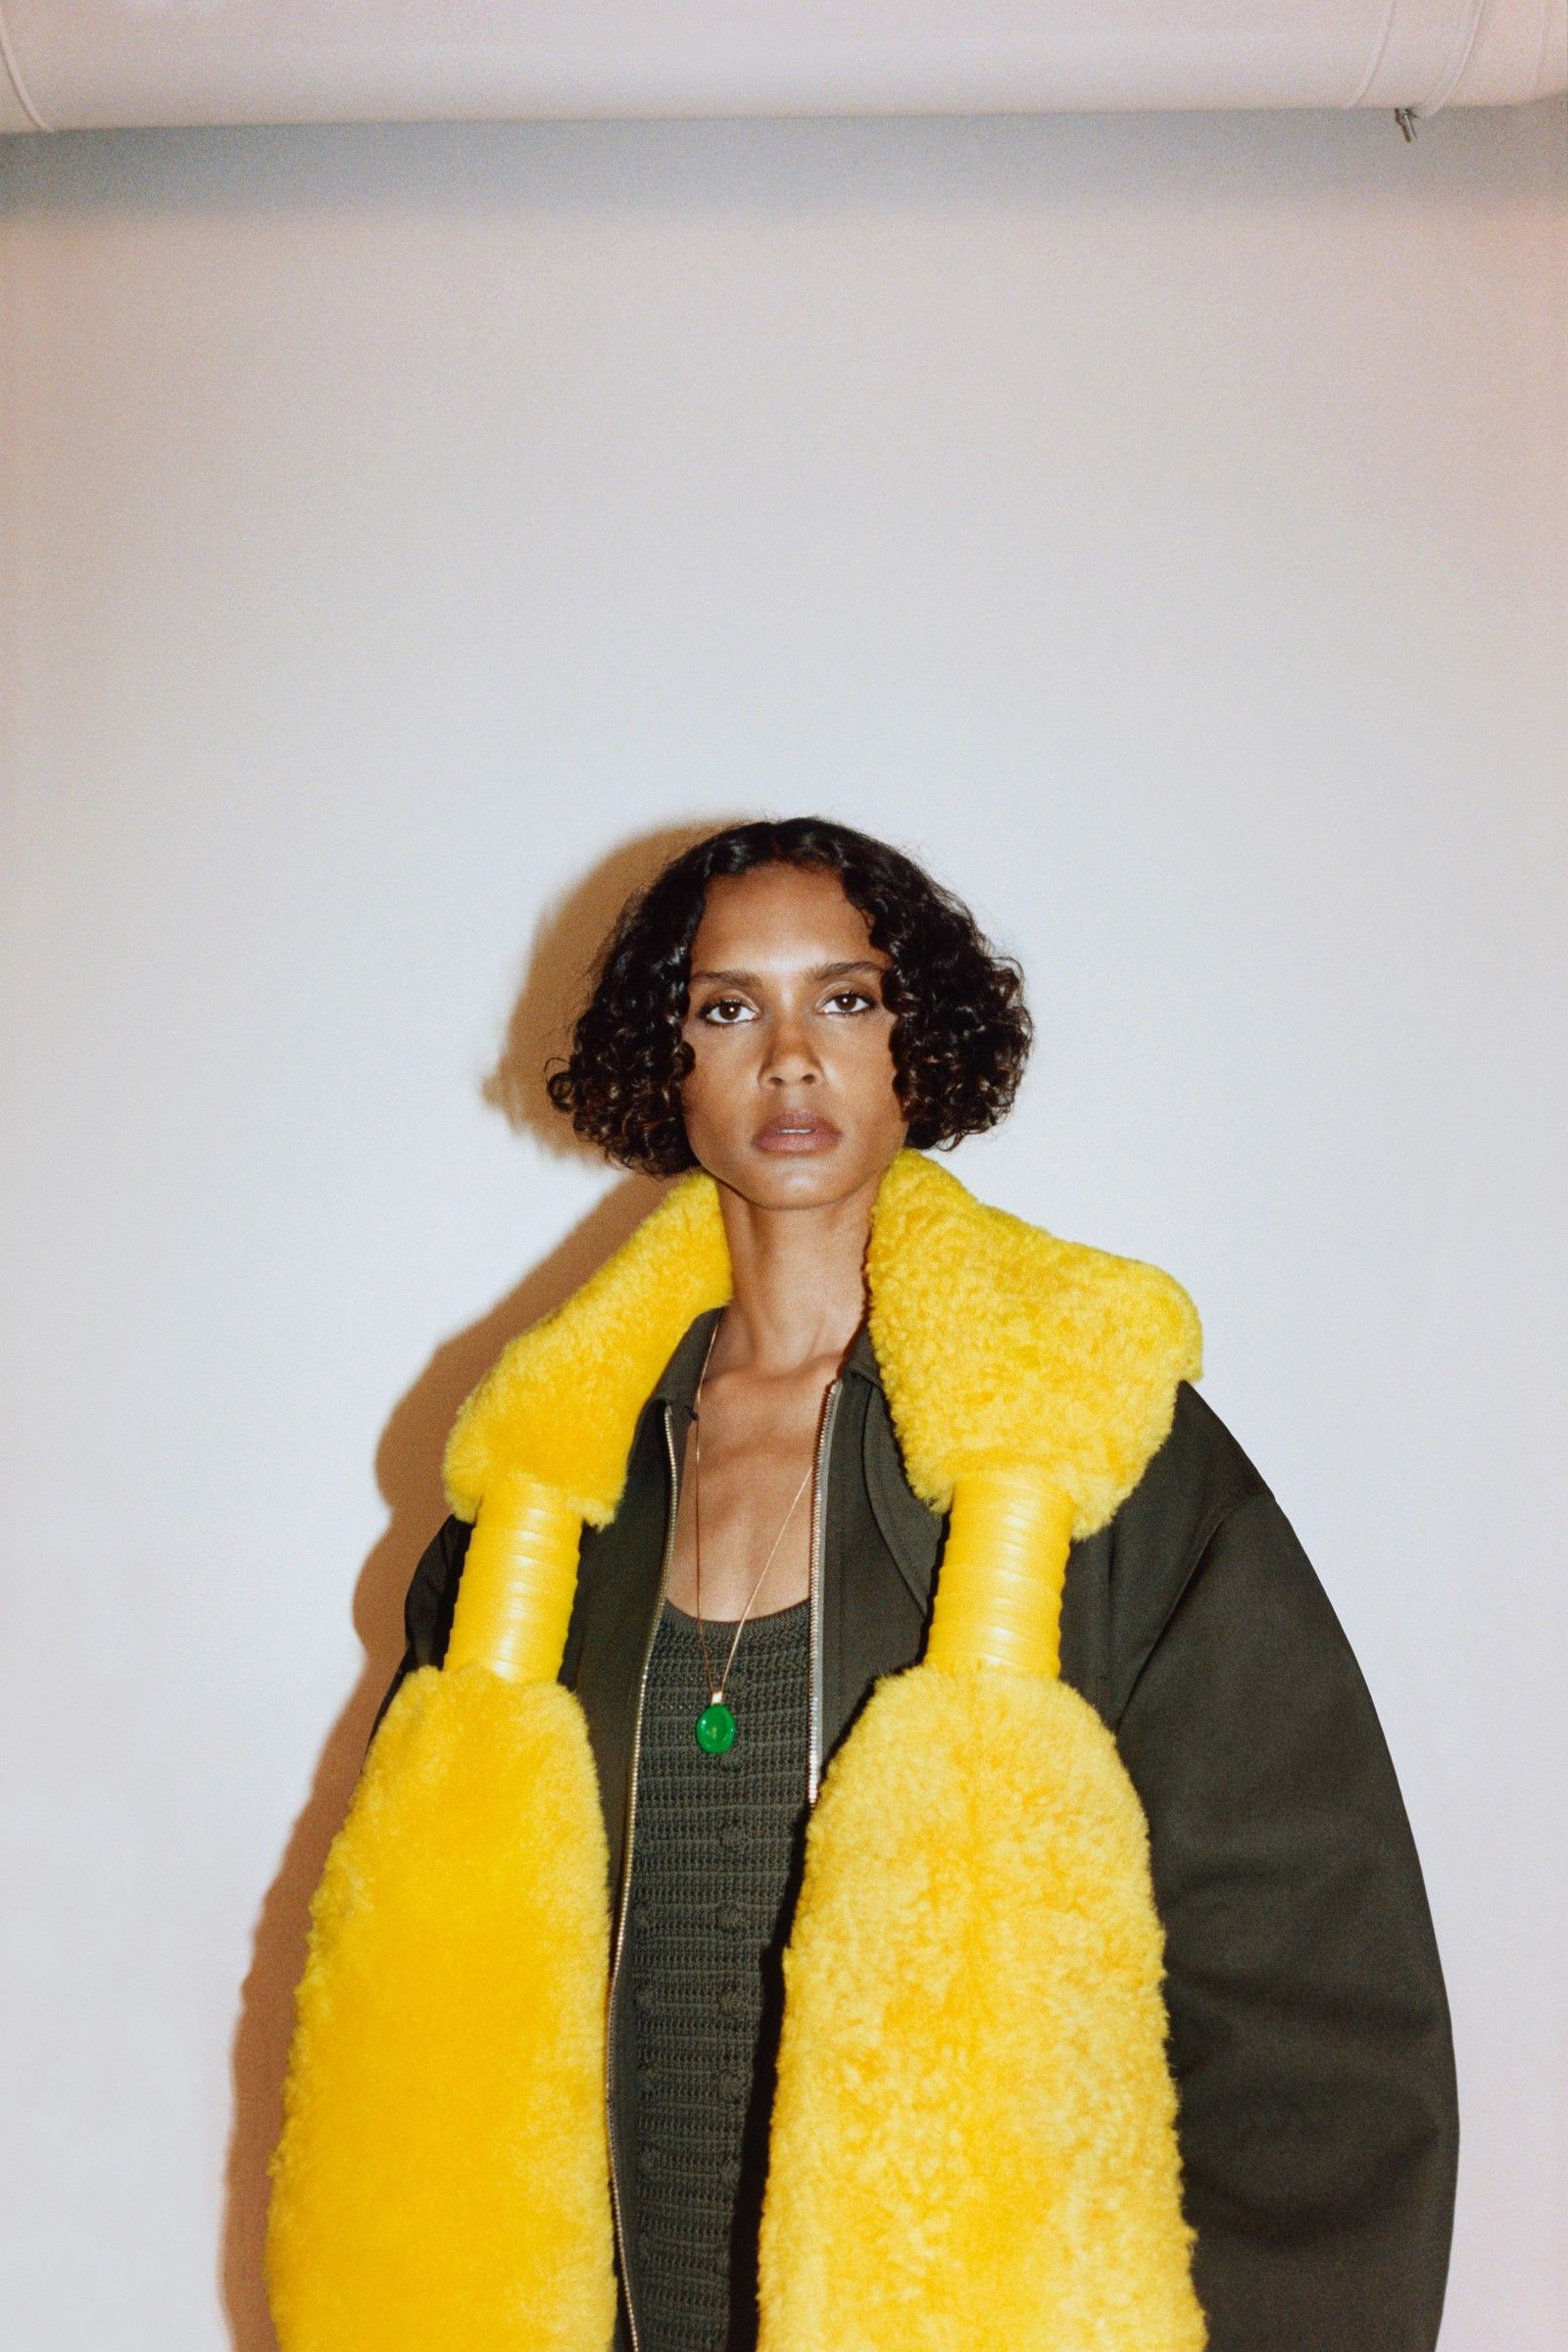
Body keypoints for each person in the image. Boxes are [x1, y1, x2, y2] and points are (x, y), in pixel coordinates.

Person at [270, 817, 1458, 2352]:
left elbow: (1312, 2002)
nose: (789, 1059)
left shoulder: (1094, 1449)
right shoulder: (538, 1511)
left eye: (846, 998)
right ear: (668, 1060)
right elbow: (413, 2000)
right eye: (727, 1008)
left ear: (919, 1043)